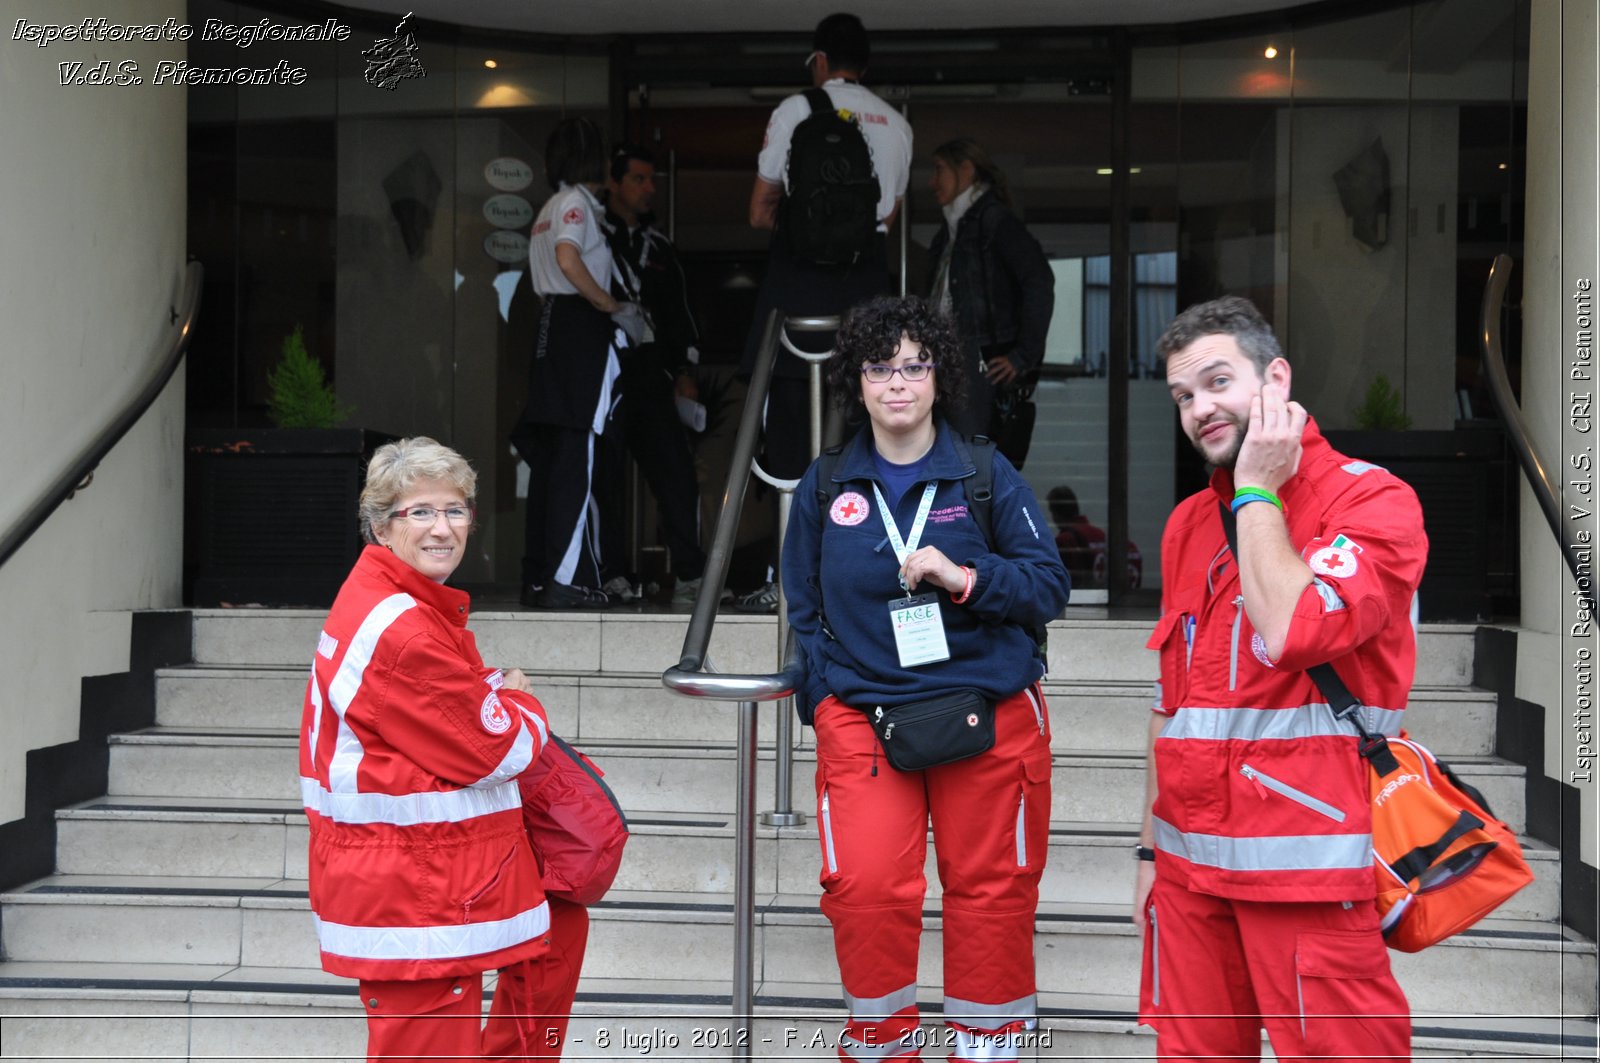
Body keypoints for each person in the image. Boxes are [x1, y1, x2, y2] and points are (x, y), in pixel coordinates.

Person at [1135, 296, 1427, 1060]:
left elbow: (1297, 628)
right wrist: (1149, 860)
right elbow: (1173, 712)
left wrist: (1260, 490)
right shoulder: (1187, 526)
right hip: (1190, 878)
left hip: (1309, 879)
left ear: (1277, 378)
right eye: (1183, 397)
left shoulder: (1373, 499)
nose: (1200, 408)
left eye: (1218, 382)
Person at [782, 296, 1070, 1063]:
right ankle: (882, 1048)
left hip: (991, 712)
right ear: (859, 381)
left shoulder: (984, 473)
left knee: (991, 897)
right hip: (867, 719)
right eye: (881, 367)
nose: (898, 383)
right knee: (867, 893)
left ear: (939, 377)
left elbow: (1048, 586)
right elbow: (803, 610)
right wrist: (825, 694)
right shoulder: (823, 487)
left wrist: (963, 575)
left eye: (915, 365)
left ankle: (986, 1048)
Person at [298, 437, 589, 1061]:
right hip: (416, 887)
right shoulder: (401, 629)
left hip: (431, 872)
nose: (442, 528)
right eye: (420, 512)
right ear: (381, 525)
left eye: (455, 510)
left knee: (559, 930)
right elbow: (497, 748)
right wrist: (521, 701)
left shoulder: (401, 603)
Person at [737, 11, 914, 613]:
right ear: (864, 64)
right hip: (865, 289)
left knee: (786, 433)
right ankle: (857, 578)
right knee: (868, 430)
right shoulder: (896, 124)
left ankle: (783, 581)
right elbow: (885, 218)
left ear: (819, 62)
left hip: (796, 291)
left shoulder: (794, 111)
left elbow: (761, 211)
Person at [512, 117, 634, 610]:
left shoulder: (547, 207)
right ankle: (567, 578)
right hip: (578, 328)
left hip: (549, 327)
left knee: (551, 459)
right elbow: (568, 259)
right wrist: (607, 303)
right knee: (576, 458)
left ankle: (541, 575)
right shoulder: (577, 204)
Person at [597, 142, 708, 605]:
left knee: (676, 473)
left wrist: (684, 369)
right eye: (638, 179)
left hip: (650, 377)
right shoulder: (591, 232)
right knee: (604, 477)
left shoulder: (659, 245)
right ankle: (608, 573)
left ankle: (690, 574)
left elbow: (679, 314)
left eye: (652, 180)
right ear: (614, 183)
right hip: (602, 373)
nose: (648, 188)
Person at [926, 138, 1054, 456]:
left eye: (939, 169)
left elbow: (1038, 280)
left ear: (966, 170)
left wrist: (1023, 356)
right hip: (950, 362)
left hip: (976, 361)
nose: (932, 181)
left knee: (971, 463)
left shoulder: (993, 221)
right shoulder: (951, 230)